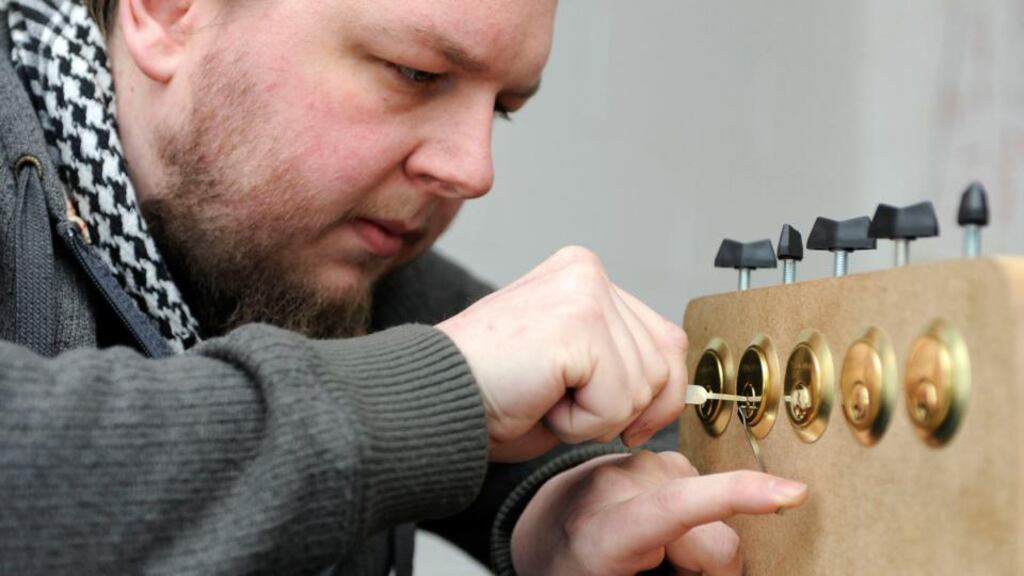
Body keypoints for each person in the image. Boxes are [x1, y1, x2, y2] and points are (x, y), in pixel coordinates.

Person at [0, 0, 808, 573]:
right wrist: (438, 394)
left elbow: (556, 415)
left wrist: (565, 508)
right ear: (169, 12)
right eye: (416, 72)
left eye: (504, 109)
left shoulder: (317, 259)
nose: (473, 171)